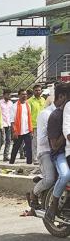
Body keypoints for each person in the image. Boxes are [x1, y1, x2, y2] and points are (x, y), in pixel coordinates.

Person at [23, 88, 67, 216]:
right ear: (61, 97)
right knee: (49, 179)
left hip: (59, 150)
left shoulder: (64, 112)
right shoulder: (47, 114)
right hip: (46, 151)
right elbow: (45, 138)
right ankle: (34, 193)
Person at [45, 83, 70, 222]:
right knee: (66, 175)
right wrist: (64, 133)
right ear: (62, 97)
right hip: (59, 154)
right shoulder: (55, 116)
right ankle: (53, 206)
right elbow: (54, 146)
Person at [9, 89, 33, 165]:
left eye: (25, 94)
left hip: (27, 130)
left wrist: (31, 130)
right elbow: (12, 120)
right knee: (15, 148)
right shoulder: (14, 106)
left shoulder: (28, 105)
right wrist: (14, 131)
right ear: (19, 95)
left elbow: (29, 118)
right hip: (18, 131)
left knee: (29, 148)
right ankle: (11, 162)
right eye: (22, 94)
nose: (24, 96)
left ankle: (29, 163)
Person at [28, 84, 46, 165]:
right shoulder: (30, 101)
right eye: (36, 90)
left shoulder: (43, 100)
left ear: (41, 91)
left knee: (42, 142)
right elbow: (28, 115)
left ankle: (41, 158)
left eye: (39, 90)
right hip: (34, 125)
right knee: (34, 143)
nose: (38, 91)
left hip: (43, 125)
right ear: (33, 91)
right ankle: (34, 158)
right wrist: (30, 127)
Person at [0, 89, 13, 161]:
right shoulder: (0, 103)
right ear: (4, 95)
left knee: (8, 140)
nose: (9, 96)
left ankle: (6, 156)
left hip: (9, 124)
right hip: (2, 124)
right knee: (1, 141)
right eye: (7, 94)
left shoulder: (11, 103)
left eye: (9, 94)